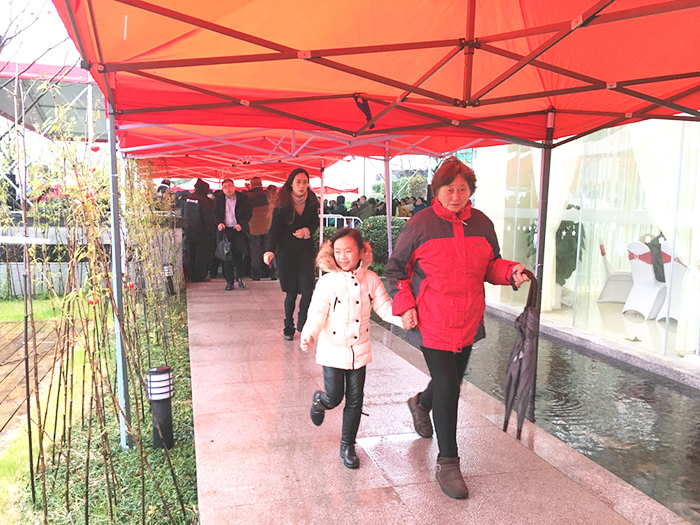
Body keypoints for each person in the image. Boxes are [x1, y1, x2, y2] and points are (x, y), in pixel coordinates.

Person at [385, 156, 529, 500]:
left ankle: (421, 403)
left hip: (468, 318)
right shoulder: (420, 224)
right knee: (449, 386)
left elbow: (490, 265)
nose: (456, 196)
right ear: (437, 190)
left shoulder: (482, 223)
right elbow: (395, 270)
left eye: (462, 189)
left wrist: (510, 272)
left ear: (470, 191)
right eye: (449, 189)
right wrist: (405, 305)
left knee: (450, 380)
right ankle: (448, 463)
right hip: (432, 319)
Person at [300, 228, 404, 468]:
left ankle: (348, 445)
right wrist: (309, 335)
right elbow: (316, 314)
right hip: (333, 350)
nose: (343, 257)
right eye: (338, 252)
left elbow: (385, 308)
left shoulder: (371, 279)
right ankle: (320, 401)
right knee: (334, 397)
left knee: (355, 400)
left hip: (359, 350)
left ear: (360, 251)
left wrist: (405, 320)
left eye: (348, 251)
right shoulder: (327, 282)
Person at [263, 168, 319, 340]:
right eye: (298, 182)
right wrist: (269, 250)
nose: (302, 185)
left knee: (308, 289)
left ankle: (303, 321)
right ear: (291, 184)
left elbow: (315, 222)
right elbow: (274, 230)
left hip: (305, 251)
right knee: (291, 292)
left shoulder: (312, 201)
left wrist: (307, 231)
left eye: (305, 182)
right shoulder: (282, 203)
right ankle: (288, 324)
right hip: (286, 253)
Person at [216, 179, 252, 290]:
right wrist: (219, 223)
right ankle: (229, 282)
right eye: (225, 187)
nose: (228, 189)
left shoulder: (243, 198)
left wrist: (241, 224)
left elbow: (249, 212)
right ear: (222, 189)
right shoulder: (219, 199)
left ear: (234, 186)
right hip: (225, 230)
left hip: (238, 229)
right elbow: (215, 212)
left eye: (230, 186)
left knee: (239, 253)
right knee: (227, 256)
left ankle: (240, 277)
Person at [181, 179, 217, 282]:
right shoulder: (205, 201)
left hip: (188, 231)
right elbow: (209, 218)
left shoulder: (187, 199)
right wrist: (212, 233)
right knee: (201, 256)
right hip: (202, 233)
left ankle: (191, 276)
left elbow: (182, 214)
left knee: (191, 255)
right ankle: (200, 276)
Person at [247, 177, 276, 281]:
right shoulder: (267, 195)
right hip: (267, 226)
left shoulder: (248, 196)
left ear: (251, 184)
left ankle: (256, 274)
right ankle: (272, 272)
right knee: (268, 249)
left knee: (255, 251)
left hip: (253, 228)